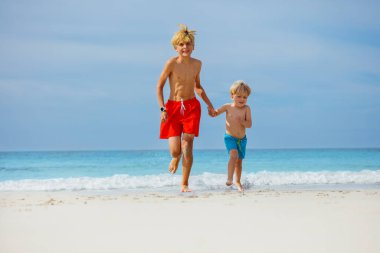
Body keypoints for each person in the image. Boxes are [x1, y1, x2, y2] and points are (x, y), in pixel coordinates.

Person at [156, 24, 216, 192]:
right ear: (176, 47)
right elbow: (159, 87)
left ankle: (184, 184)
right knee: (176, 151)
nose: (185, 47)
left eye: (188, 44)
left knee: (187, 145)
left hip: (191, 107)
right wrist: (162, 109)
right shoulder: (171, 63)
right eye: (181, 44)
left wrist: (209, 105)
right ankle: (175, 158)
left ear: (193, 46)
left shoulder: (198, 64)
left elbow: (198, 86)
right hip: (173, 108)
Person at [214, 80, 252, 192]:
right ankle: (230, 178)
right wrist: (213, 112)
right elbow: (216, 112)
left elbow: (249, 124)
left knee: (239, 162)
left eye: (245, 97)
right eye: (239, 96)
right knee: (233, 155)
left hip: (242, 139)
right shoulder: (227, 107)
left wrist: (243, 122)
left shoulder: (246, 109)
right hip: (229, 137)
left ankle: (238, 181)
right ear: (232, 96)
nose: (242, 99)